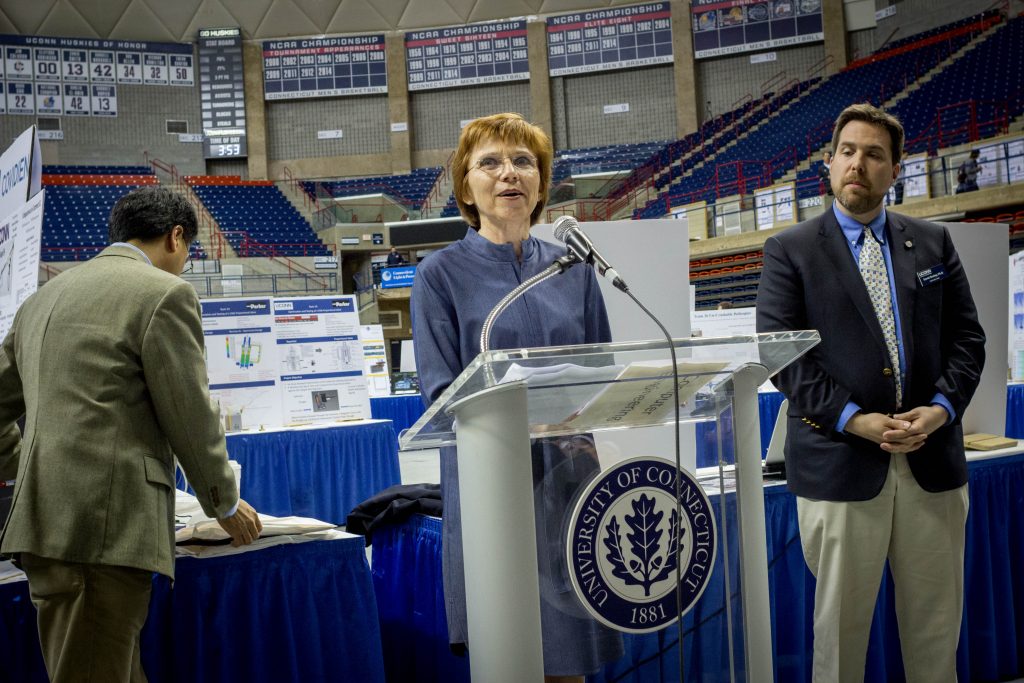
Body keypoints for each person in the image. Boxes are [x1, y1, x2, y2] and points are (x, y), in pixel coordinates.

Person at [756, 103, 985, 682]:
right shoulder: (791, 250)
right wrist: (855, 419)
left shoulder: (934, 243)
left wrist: (939, 412)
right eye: (849, 151)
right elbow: (783, 358)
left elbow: (968, 341)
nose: (859, 163)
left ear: (895, 170)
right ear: (829, 164)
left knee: (937, 631)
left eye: (875, 154)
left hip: (931, 462)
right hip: (841, 467)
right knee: (840, 636)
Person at [0, 186, 263, 682]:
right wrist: (223, 503)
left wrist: (28, 470)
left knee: (101, 665)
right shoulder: (164, 294)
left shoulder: (40, 300)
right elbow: (189, 414)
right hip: (105, 532)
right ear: (176, 236)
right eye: (187, 253)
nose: (184, 264)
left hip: (45, 527)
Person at [411, 113, 622, 682]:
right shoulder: (438, 275)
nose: (510, 174)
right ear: (465, 187)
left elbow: (601, 370)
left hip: (571, 482)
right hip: (492, 488)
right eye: (491, 163)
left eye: (523, 161)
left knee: (569, 660)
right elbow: (440, 391)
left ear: (541, 181)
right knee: (509, 659)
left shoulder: (573, 269)